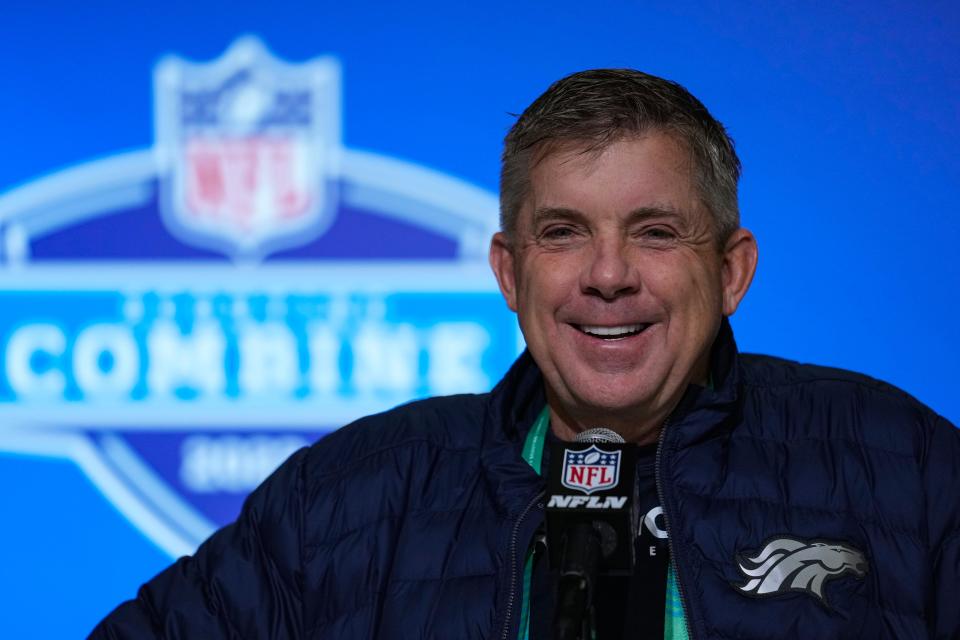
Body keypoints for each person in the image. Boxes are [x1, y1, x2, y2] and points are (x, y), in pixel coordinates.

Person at [91, 69, 959, 640]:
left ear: (730, 271)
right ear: (509, 271)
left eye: (654, 232)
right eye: (563, 233)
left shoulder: (905, 468)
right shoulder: (350, 496)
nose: (608, 276)